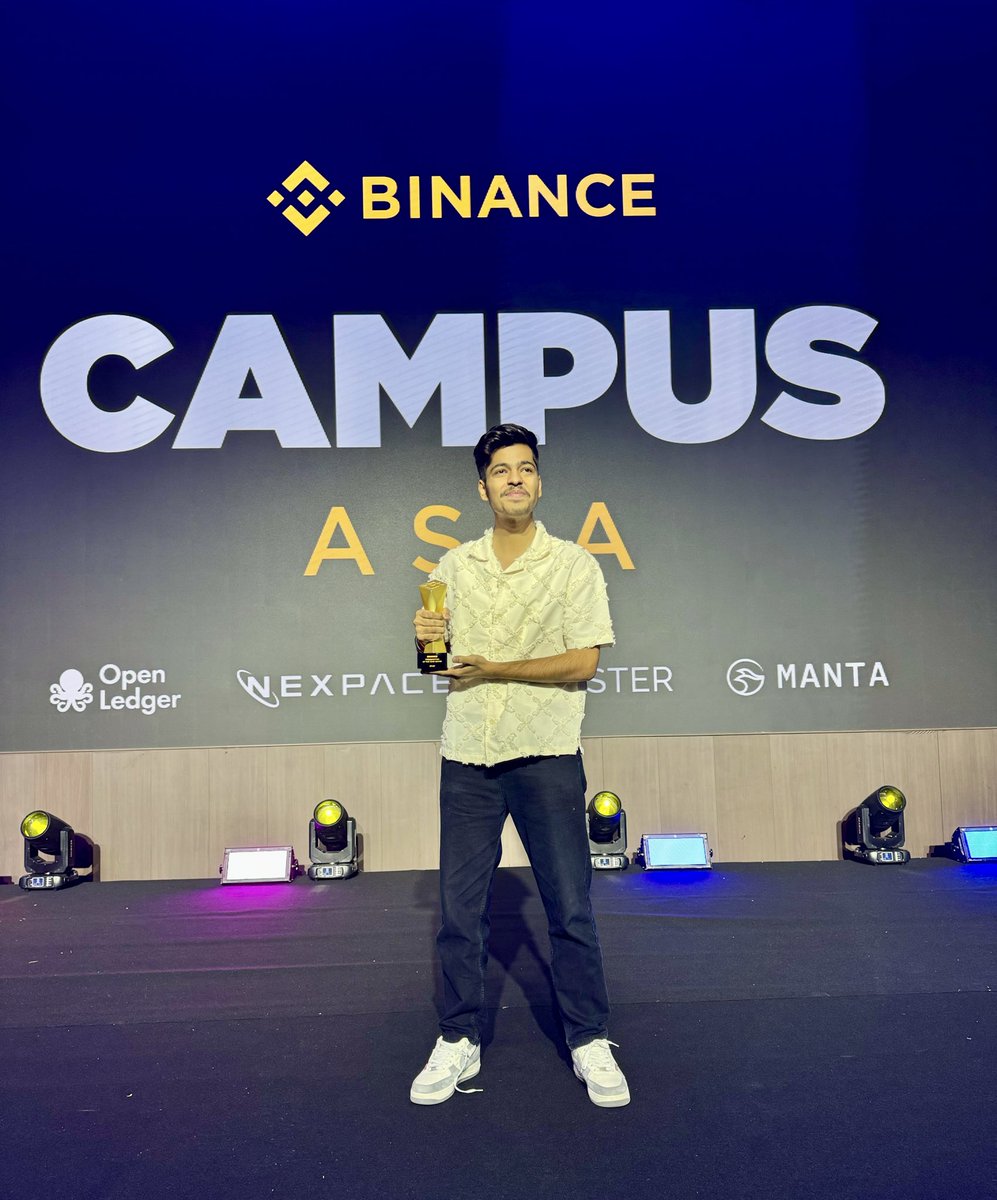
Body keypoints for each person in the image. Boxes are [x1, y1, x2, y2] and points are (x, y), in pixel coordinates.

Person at [409, 422, 630, 1108]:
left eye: (525, 468)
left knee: (570, 908)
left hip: (547, 754)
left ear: (538, 481)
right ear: (482, 489)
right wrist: (425, 643)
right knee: (459, 912)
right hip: (468, 756)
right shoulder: (452, 568)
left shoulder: (573, 565)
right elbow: (439, 666)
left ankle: (589, 1038)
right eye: (501, 470)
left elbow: (585, 661)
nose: (515, 479)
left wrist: (498, 668)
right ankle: (458, 1037)